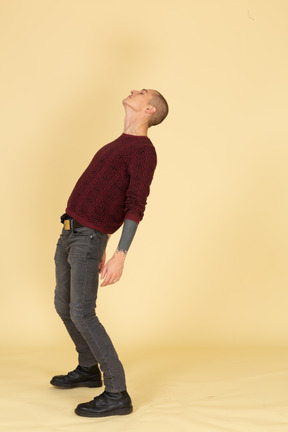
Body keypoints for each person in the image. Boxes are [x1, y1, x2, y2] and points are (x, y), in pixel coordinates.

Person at [51, 89, 169, 417]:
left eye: (141, 92)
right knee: (64, 305)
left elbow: (135, 205)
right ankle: (89, 368)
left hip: (87, 238)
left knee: (83, 313)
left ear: (149, 109)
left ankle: (117, 392)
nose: (134, 91)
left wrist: (120, 253)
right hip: (72, 234)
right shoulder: (120, 143)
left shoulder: (144, 151)